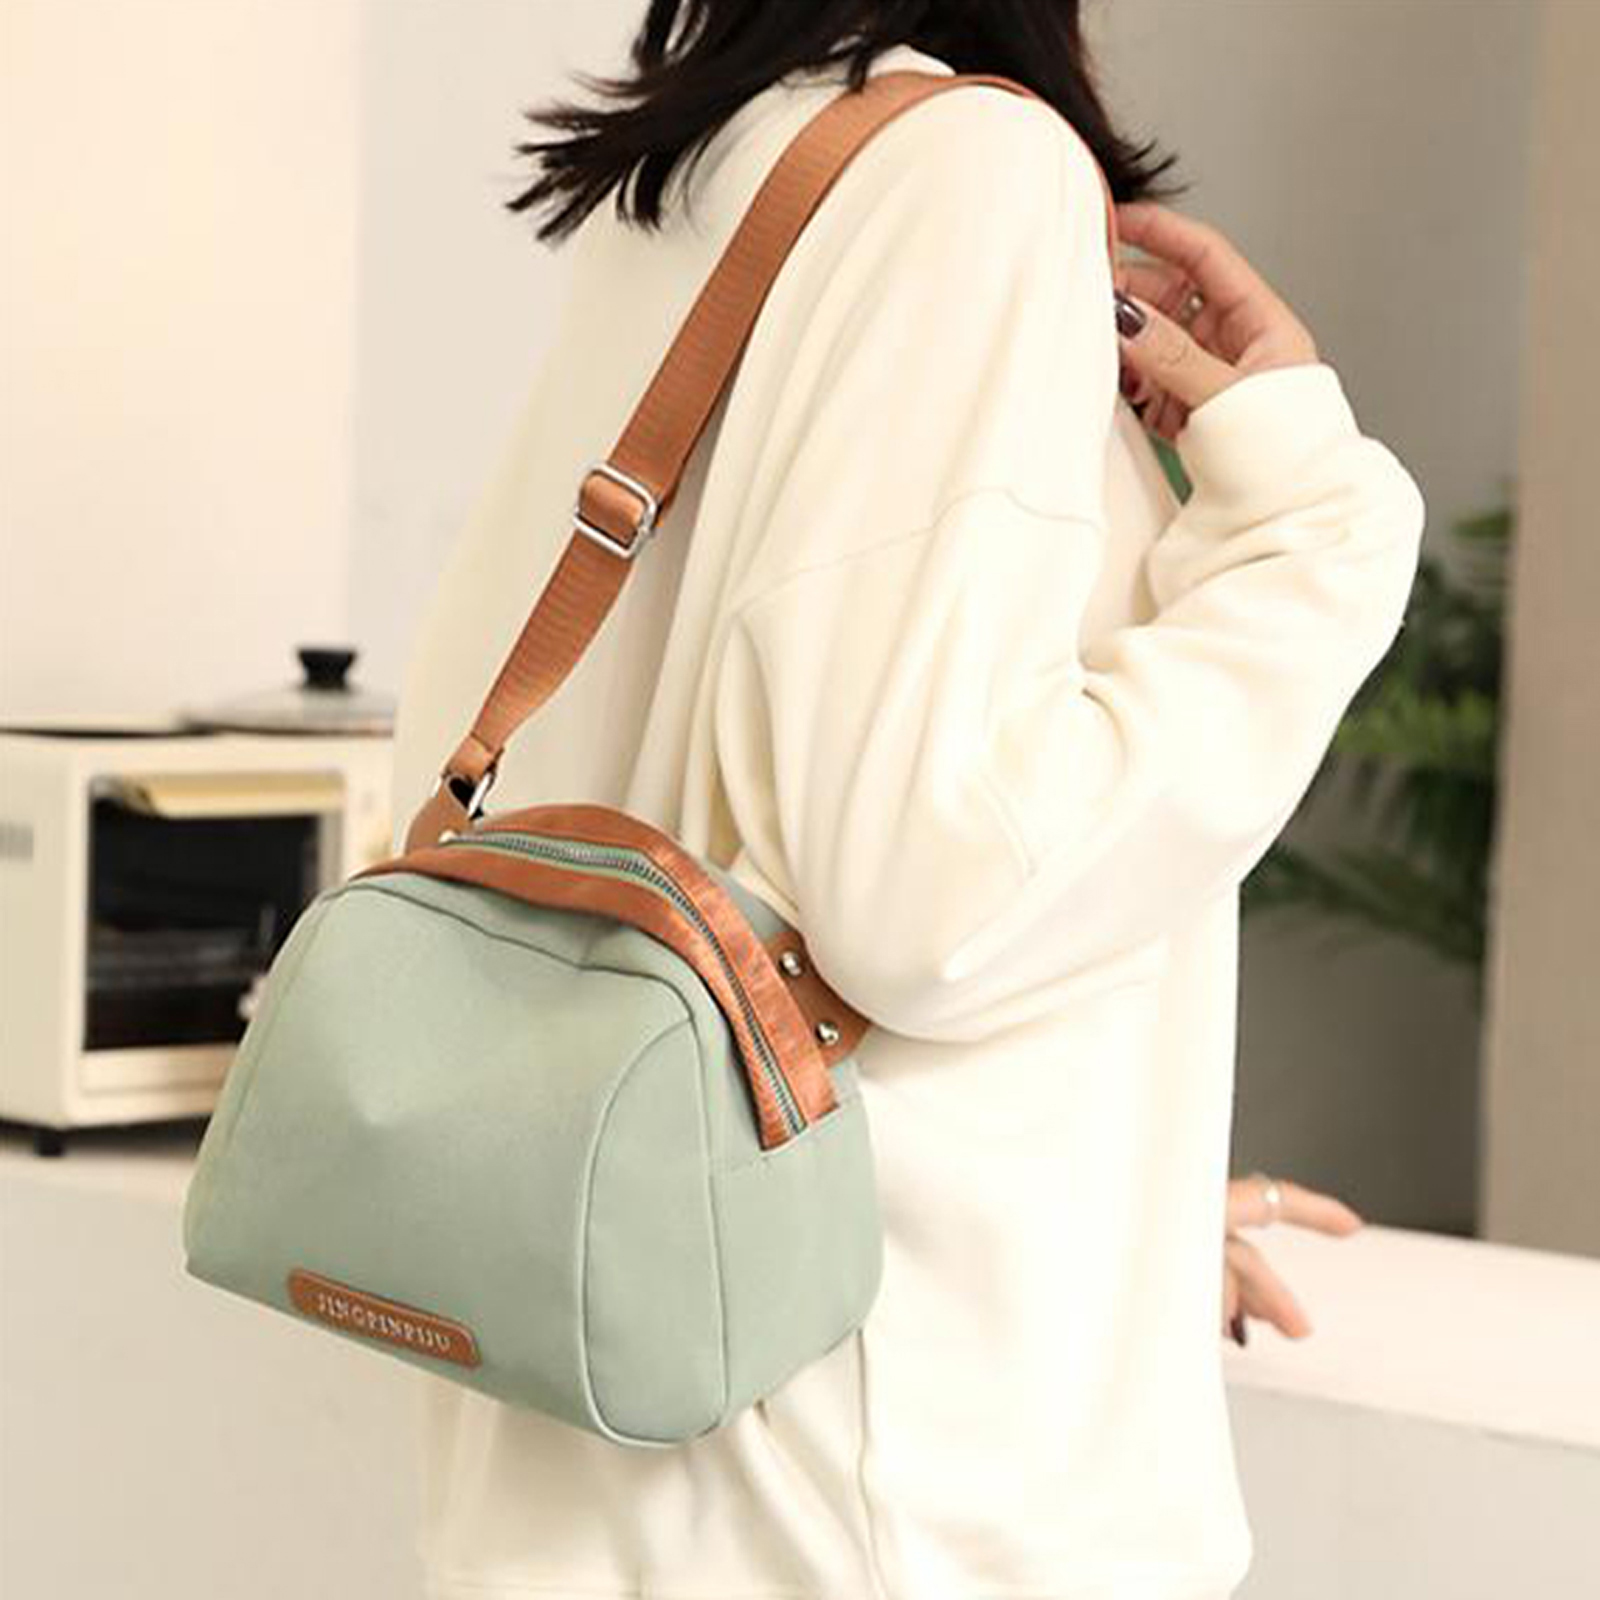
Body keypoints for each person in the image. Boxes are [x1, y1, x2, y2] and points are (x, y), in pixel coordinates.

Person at [388, 6, 1424, 1598]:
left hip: (643, 1471)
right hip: (868, 1513)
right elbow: (925, 901)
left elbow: (680, 822)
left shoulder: (707, 175)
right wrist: (1319, 534)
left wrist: (1105, 1196)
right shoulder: (967, 172)